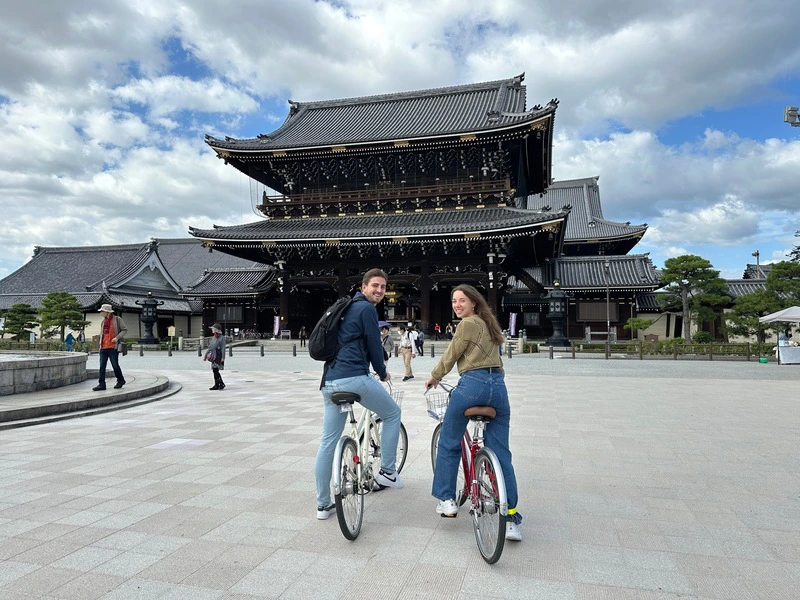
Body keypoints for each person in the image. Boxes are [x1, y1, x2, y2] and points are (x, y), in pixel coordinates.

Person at [424, 284, 522, 542]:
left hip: (471, 387)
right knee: (502, 454)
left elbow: (451, 354)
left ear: (474, 303)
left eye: (462, 301)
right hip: (499, 389)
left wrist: (435, 377)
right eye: (454, 301)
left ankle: (447, 499)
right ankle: (511, 518)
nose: (457, 305)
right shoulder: (491, 325)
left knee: (448, 441)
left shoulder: (466, 324)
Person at [314, 268, 403, 520]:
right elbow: (375, 346)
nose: (379, 290)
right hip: (354, 379)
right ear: (363, 287)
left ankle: (323, 505)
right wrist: (383, 371)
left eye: (383, 287)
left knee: (327, 442)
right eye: (375, 285)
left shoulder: (345, 307)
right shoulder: (366, 309)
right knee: (393, 413)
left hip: (329, 382)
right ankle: (387, 471)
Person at [92, 304, 127, 391]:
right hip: (103, 347)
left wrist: (117, 338)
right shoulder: (103, 322)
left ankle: (121, 380)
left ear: (107, 312)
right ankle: (101, 384)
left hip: (113, 347)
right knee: (102, 366)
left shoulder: (117, 319)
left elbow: (124, 329)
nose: (101, 313)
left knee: (115, 365)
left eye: (102, 311)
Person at [205, 323, 226, 390]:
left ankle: (220, 383)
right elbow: (210, 347)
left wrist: (223, 357)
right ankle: (217, 384)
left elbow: (223, 348)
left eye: (213, 329)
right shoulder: (214, 337)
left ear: (216, 330)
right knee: (214, 370)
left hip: (219, 355)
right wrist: (206, 355)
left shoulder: (222, 338)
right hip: (213, 355)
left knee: (216, 370)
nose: (212, 330)